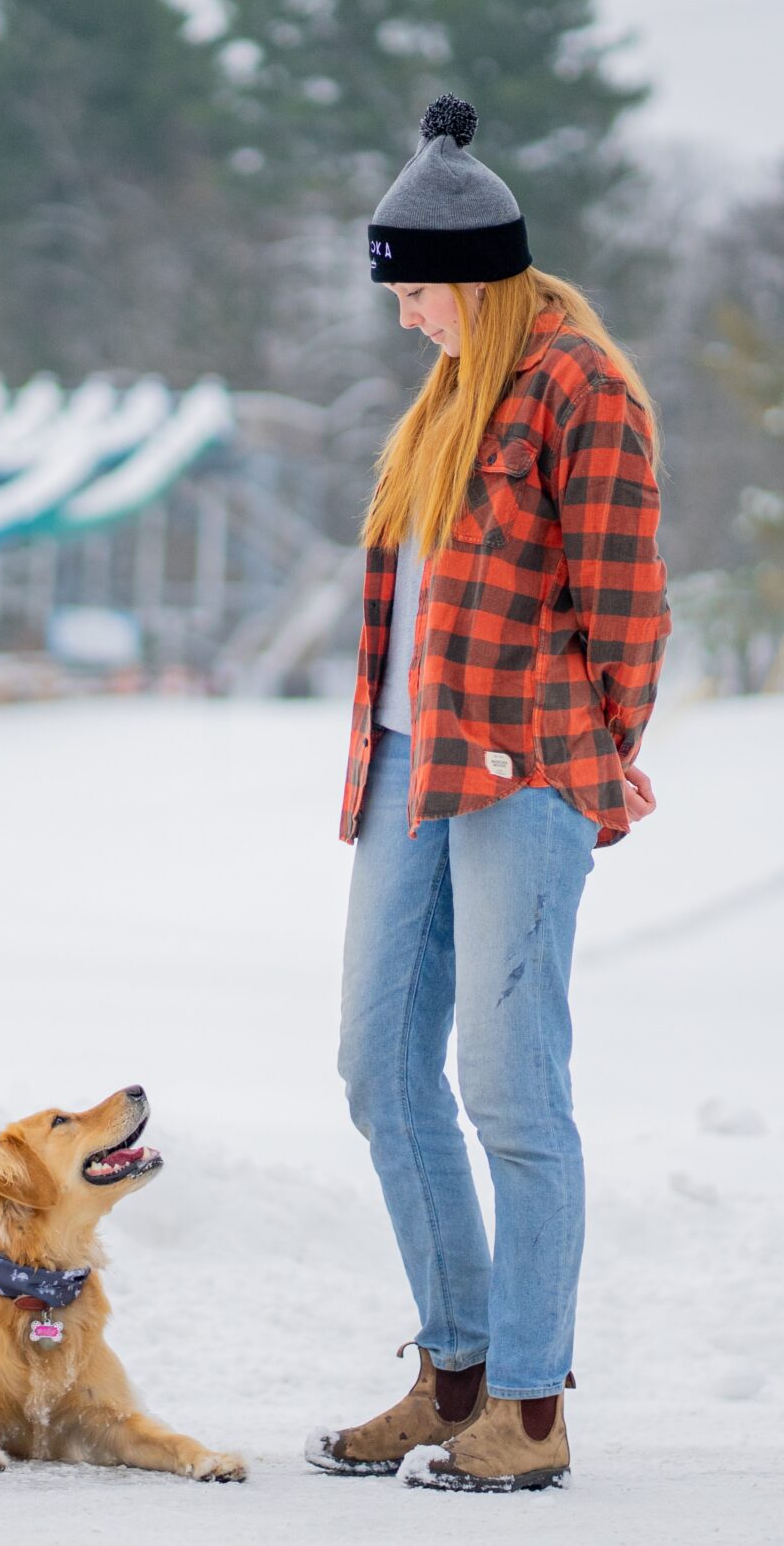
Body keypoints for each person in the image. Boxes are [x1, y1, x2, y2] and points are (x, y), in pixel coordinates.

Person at [306, 94, 668, 1494]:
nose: (401, 320)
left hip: (520, 774)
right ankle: (454, 1370)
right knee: (377, 1069)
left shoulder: (582, 388)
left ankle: (527, 1407)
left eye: (412, 294)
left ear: (469, 278)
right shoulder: (457, 388)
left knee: (510, 1089)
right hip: (408, 766)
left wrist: (574, 765)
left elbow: (629, 620)